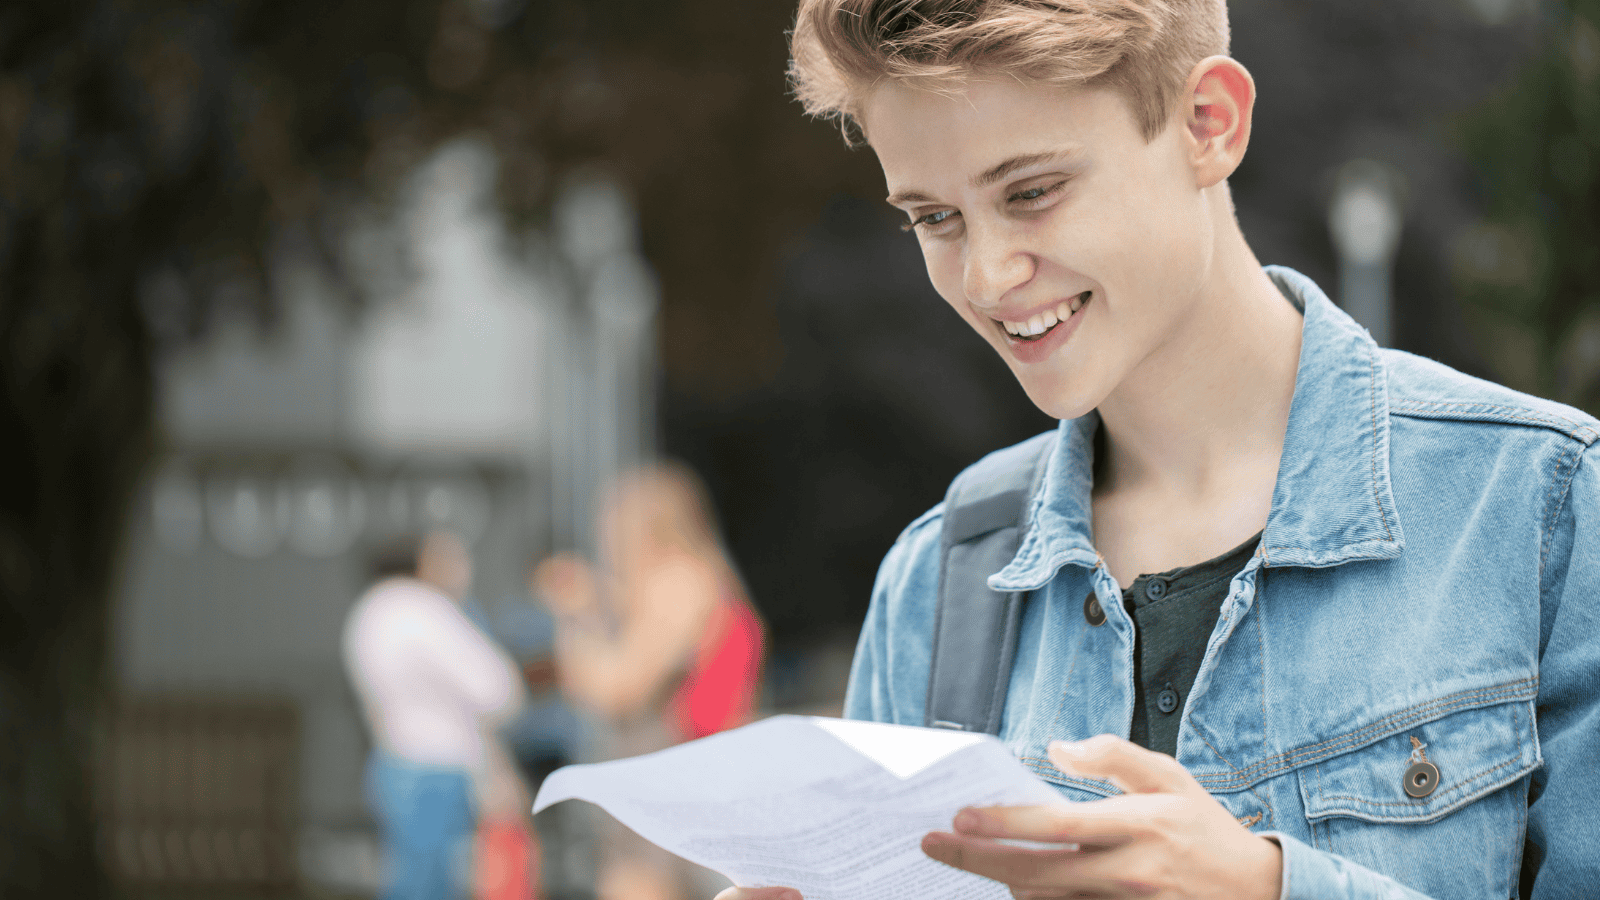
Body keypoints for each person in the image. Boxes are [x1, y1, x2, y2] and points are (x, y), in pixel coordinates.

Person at [716, 1, 1600, 899]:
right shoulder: (933, 586)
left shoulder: (1547, 506)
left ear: (1207, 124)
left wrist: (1268, 890)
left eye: (1031, 192)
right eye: (936, 218)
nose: (986, 276)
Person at [535, 462, 765, 900]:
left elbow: (619, 689)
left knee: (638, 883)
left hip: (665, 764)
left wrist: (572, 619)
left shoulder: (677, 582)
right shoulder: (705, 578)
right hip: (695, 763)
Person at [344, 531, 528, 900]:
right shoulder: (423, 608)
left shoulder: (369, 610)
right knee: (430, 887)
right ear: (424, 563)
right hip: (437, 770)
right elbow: (499, 690)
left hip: (393, 763)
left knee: (410, 879)